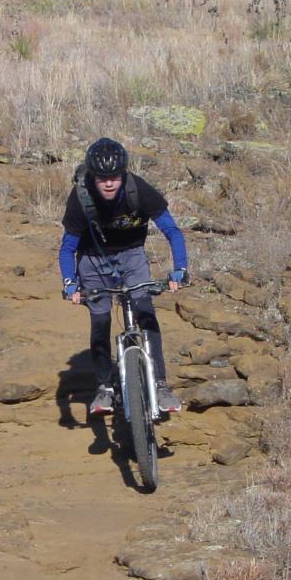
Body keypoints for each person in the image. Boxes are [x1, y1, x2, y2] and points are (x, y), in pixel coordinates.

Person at [58, 138, 188, 415]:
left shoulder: (138, 190)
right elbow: (68, 248)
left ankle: (161, 384)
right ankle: (105, 387)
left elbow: (173, 232)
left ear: (124, 174)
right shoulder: (80, 199)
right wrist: (70, 284)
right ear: (93, 177)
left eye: (114, 178)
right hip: (93, 262)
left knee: (146, 313)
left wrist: (179, 270)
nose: (108, 184)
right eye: (102, 178)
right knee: (100, 320)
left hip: (131, 256)